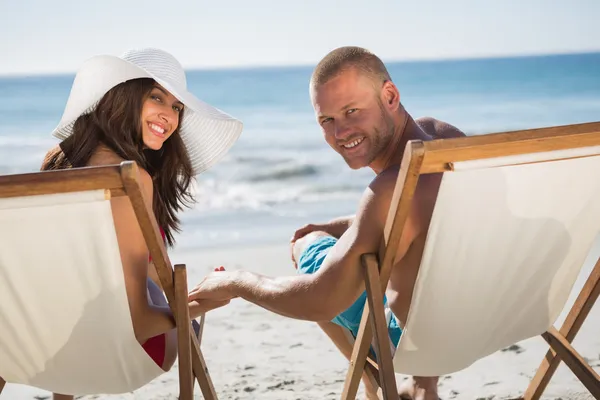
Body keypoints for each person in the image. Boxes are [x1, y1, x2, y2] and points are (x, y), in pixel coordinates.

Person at [188, 46, 466, 400]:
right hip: (502, 316)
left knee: (309, 247)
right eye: (326, 120)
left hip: (425, 340)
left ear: (390, 96)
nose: (340, 132)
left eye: (352, 111)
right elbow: (426, 217)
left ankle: (374, 380)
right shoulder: (448, 140)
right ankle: (424, 387)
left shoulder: (388, 191)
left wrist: (236, 282)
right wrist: (342, 225)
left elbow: (321, 299)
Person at [40, 47, 243, 400]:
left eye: (177, 107)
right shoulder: (130, 181)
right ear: (124, 97)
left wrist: (185, 295)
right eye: (156, 97)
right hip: (116, 351)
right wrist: (204, 303)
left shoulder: (53, 168)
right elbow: (140, 323)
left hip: (32, 346)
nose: (169, 115)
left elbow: (69, 287)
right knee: (189, 324)